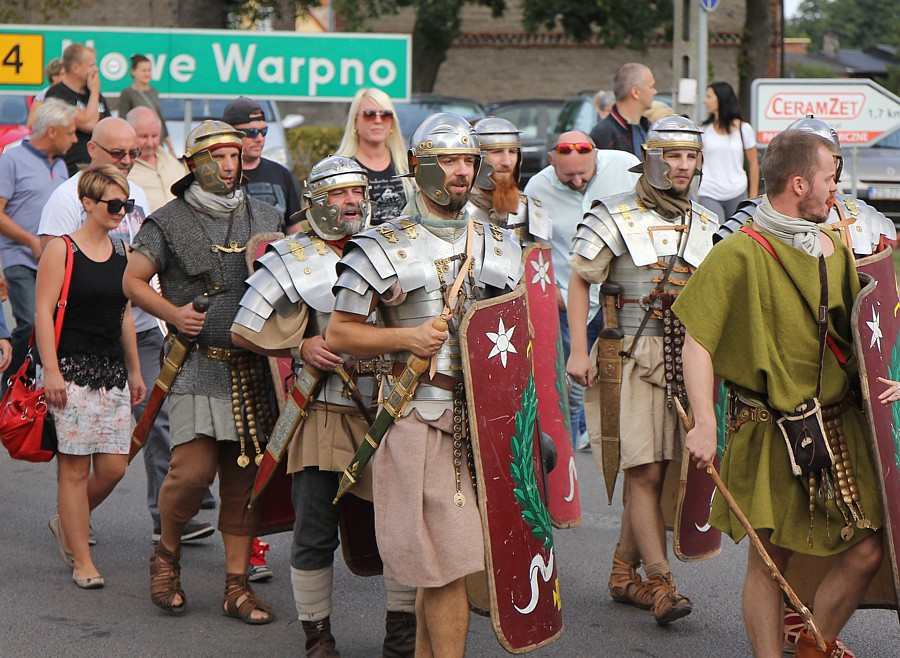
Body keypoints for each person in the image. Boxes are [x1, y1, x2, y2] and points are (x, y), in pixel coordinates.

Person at [675, 129, 885, 657]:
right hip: (769, 429)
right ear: (799, 183)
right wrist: (704, 420)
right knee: (769, 565)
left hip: (838, 426)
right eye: (829, 179)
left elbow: (858, 333)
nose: (835, 190)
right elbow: (697, 342)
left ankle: (814, 645)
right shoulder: (738, 254)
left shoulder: (832, 248)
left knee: (868, 551)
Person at [326, 113, 523, 655]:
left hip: (483, 423)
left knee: (444, 567)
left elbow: (518, 338)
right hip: (417, 415)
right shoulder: (383, 244)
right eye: (450, 162)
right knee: (446, 566)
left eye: (468, 162)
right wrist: (407, 339)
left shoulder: (500, 244)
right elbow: (340, 332)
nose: (462, 173)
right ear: (419, 167)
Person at [232, 155, 418, 657]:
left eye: (357, 192)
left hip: (396, 410)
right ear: (316, 200)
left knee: (400, 530)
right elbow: (243, 328)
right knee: (315, 533)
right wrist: (299, 348)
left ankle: (401, 638)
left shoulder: (399, 245)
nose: (352, 202)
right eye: (338, 194)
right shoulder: (294, 254)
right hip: (325, 412)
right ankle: (318, 638)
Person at [123, 120, 282, 623]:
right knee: (191, 474)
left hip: (255, 368)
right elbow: (132, 280)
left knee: (244, 482)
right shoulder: (167, 220)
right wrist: (172, 314)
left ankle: (237, 587)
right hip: (197, 363)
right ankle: (167, 555)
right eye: (218, 156)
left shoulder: (266, 214)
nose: (230, 165)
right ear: (193, 163)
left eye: (235, 156)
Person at [38, 116, 215, 546]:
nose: (129, 160)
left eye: (134, 152)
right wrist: (52, 368)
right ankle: (81, 535)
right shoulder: (66, 199)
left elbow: (145, 261)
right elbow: (49, 287)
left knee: (151, 425)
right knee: (79, 461)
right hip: (76, 345)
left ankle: (160, 515)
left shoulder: (132, 194)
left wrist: (164, 313)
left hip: (133, 330)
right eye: (119, 153)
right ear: (92, 149)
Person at [567, 116, 713, 626]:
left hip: (687, 357)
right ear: (651, 158)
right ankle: (660, 581)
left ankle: (620, 570)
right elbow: (581, 278)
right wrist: (579, 351)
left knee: (664, 470)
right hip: (631, 355)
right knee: (646, 469)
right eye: (673, 155)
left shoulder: (707, 221)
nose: (683, 166)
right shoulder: (614, 213)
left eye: (691, 156)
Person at [37, 164, 147, 589]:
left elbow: (124, 316)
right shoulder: (61, 250)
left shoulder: (123, 252)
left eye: (127, 204)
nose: (122, 211)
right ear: (87, 203)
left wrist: (135, 369)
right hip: (71, 371)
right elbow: (44, 313)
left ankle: (67, 519)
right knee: (75, 470)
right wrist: (52, 371)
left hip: (112, 373)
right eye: (114, 204)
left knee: (116, 467)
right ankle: (82, 560)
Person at [524, 131, 639, 444]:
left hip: (618, 302)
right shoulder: (538, 187)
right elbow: (536, 248)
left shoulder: (626, 168)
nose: (576, 182)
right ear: (551, 162)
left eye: (583, 175)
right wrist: (549, 294)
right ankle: (569, 471)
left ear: (597, 157)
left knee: (625, 390)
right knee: (569, 393)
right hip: (565, 302)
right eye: (567, 176)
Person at [0, 100, 76, 382]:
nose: (75, 138)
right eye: (70, 132)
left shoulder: (63, 166)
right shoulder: (11, 160)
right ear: (53, 131)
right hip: (19, 258)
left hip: (54, 263)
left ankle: (36, 387)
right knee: (32, 321)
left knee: (53, 326)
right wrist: (30, 241)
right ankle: (10, 386)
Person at [335, 88, 414, 226]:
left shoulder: (408, 165)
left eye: (385, 114)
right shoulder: (340, 170)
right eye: (369, 114)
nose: (378, 120)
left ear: (392, 122)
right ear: (355, 122)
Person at [222, 96, 301, 233]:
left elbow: (294, 227)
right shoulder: (220, 176)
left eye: (263, 131)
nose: (259, 139)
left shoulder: (282, 174)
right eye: (251, 132)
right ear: (230, 133)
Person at [467, 116, 549, 244]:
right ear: (476, 158)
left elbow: (540, 261)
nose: (507, 162)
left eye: (512, 152)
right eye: (497, 152)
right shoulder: (455, 210)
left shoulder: (530, 210)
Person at [44, 44, 111, 177]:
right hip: (70, 170)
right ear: (75, 68)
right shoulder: (57, 94)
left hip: (98, 171)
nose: (95, 70)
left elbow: (107, 127)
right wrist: (95, 91)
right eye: (91, 65)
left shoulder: (94, 94)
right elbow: (90, 124)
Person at [697, 81, 759, 221]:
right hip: (709, 191)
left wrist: (753, 199)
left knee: (737, 234)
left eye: (709, 96)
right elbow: (697, 164)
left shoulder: (744, 129)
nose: (704, 101)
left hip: (737, 190)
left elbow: (754, 165)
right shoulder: (703, 131)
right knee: (715, 234)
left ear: (721, 98)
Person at [125, 106, 187, 212]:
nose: (149, 143)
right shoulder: (124, 167)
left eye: (154, 136)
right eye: (143, 136)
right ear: (129, 134)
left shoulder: (169, 158)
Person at [590, 63, 655, 158]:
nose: (655, 92)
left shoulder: (650, 129)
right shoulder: (604, 134)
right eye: (651, 87)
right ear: (635, 92)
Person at [116, 55, 174, 155]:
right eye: (143, 70)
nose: (147, 73)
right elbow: (122, 122)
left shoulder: (153, 92)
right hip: (139, 147)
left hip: (157, 145)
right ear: (133, 71)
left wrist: (170, 147)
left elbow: (160, 120)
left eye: (149, 70)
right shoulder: (127, 93)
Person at [26, 58, 65, 129]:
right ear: (54, 77)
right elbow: (31, 123)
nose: (68, 77)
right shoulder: (43, 95)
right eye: (64, 74)